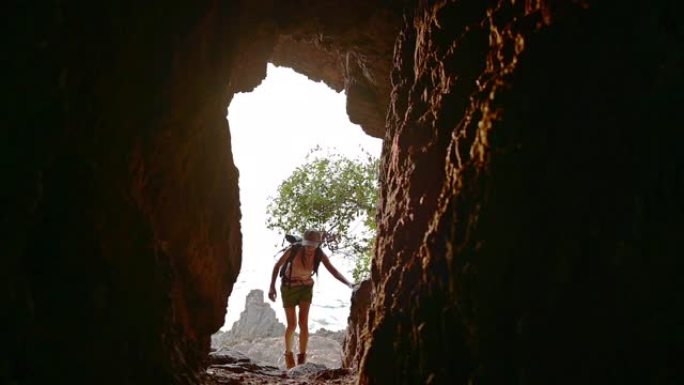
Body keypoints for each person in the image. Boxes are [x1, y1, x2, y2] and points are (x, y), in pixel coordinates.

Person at [268, 229, 353, 369]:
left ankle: (301, 359)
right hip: (288, 287)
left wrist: (348, 283)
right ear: (303, 243)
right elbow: (277, 266)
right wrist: (272, 287)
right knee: (291, 325)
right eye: (307, 245)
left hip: (306, 287)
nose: (309, 249)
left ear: (317, 245)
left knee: (303, 324)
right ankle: (289, 357)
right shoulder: (293, 250)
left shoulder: (319, 254)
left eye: (312, 246)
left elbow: (333, 271)